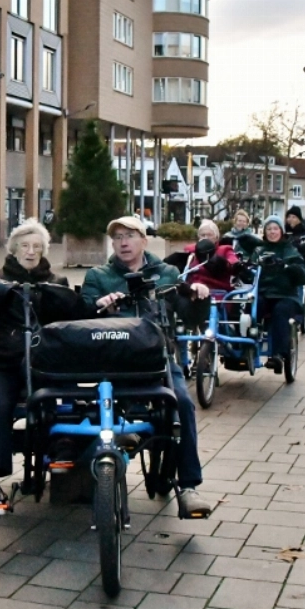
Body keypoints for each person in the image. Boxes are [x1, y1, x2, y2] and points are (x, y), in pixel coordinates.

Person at [0, 218, 94, 515]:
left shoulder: (55, 283)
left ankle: (63, 446)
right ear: (13, 249)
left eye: (37, 247)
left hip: (42, 364)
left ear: (44, 251)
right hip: (0, 364)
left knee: (66, 395)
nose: (31, 252)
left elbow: (76, 320)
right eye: (25, 246)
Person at [81, 216, 213, 519]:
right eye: (117, 238)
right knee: (96, 403)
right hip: (113, 359)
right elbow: (82, 312)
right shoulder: (98, 275)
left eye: (129, 236)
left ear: (143, 240)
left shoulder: (167, 273)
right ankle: (104, 463)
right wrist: (100, 305)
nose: (123, 242)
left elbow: (189, 316)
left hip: (158, 358)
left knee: (182, 403)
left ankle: (189, 487)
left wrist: (199, 297)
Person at [252, 216, 305, 373]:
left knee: (280, 311)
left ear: (281, 231)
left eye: (275, 229)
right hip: (263, 293)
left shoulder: (290, 251)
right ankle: (247, 343)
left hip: (286, 295)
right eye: (269, 229)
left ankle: (278, 354)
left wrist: (286, 265)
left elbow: (303, 276)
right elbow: (249, 273)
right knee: (251, 306)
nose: (272, 232)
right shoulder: (258, 251)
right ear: (264, 232)